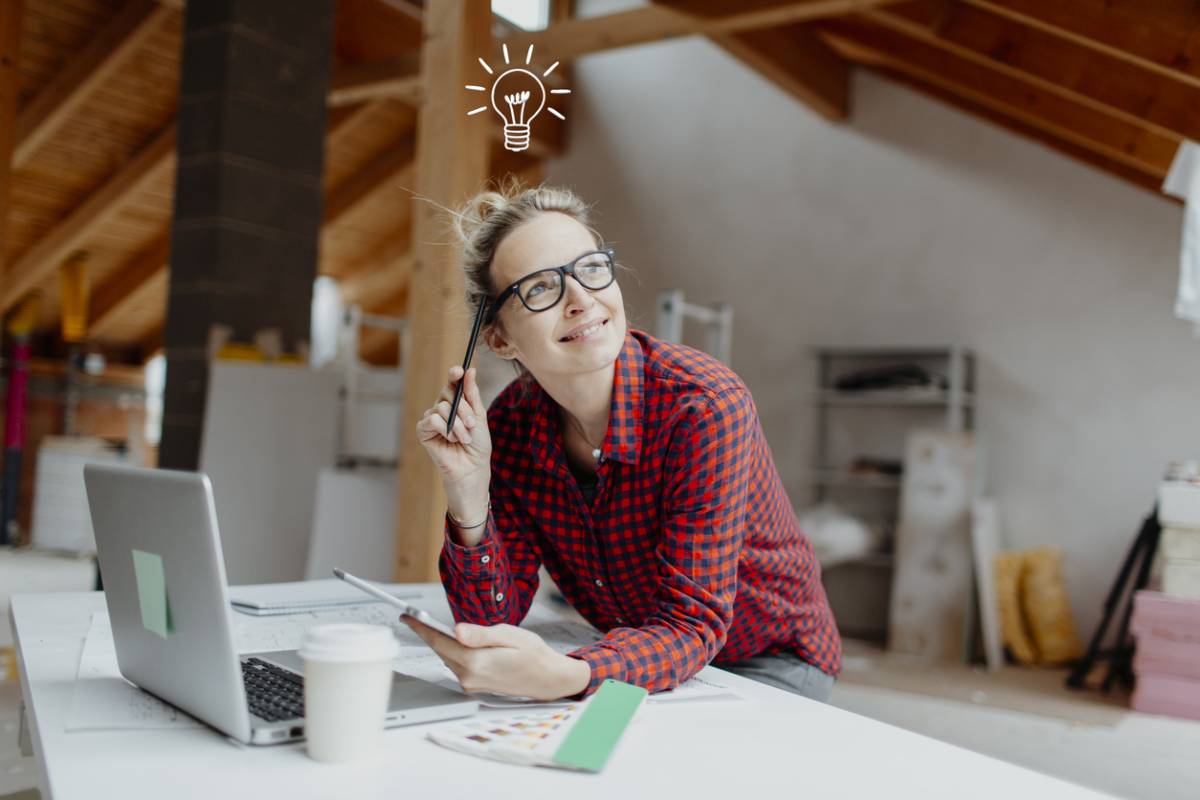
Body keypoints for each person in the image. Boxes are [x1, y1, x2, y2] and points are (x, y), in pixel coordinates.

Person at [405, 182, 841, 702]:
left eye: (589, 268)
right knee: (567, 765)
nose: (580, 299)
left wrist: (570, 675)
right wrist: (469, 491)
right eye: (541, 288)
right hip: (637, 655)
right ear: (500, 338)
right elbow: (490, 620)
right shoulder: (513, 428)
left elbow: (692, 624)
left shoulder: (703, 405)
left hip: (765, 660)